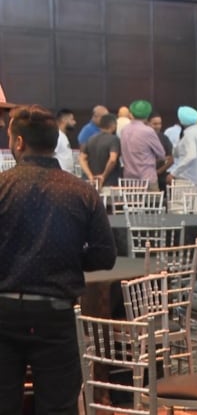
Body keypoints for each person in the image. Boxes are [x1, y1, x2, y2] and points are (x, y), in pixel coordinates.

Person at [0, 104, 116, 414]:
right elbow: (106, 255)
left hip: (3, 311)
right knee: (58, 407)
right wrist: (69, 259)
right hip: (56, 315)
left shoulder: (1, 186)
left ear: (19, 143)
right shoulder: (82, 192)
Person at [120, 99, 165, 190]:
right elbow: (162, 155)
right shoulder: (148, 131)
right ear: (148, 115)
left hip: (129, 180)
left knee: (130, 204)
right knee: (152, 204)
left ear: (132, 113)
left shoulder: (124, 130)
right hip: (147, 179)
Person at [167, 106, 197, 192]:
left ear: (181, 120)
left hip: (187, 181)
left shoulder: (189, 134)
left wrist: (173, 173)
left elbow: (191, 155)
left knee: (180, 205)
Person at [79, 113, 121, 190]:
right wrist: (103, 176)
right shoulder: (114, 139)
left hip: (90, 184)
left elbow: (82, 158)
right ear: (113, 125)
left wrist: (90, 176)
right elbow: (112, 160)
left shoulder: (90, 139)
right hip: (109, 183)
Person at [149, 112, 174, 193]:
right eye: (155, 124)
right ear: (148, 123)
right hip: (145, 177)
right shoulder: (143, 137)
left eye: (159, 123)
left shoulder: (164, 138)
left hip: (161, 177)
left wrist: (159, 171)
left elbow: (172, 158)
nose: (158, 126)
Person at [54, 108, 76, 173]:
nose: (74, 122)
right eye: (72, 120)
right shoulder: (57, 136)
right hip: (59, 176)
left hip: (66, 175)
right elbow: (51, 155)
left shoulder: (63, 136)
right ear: (64, 120)